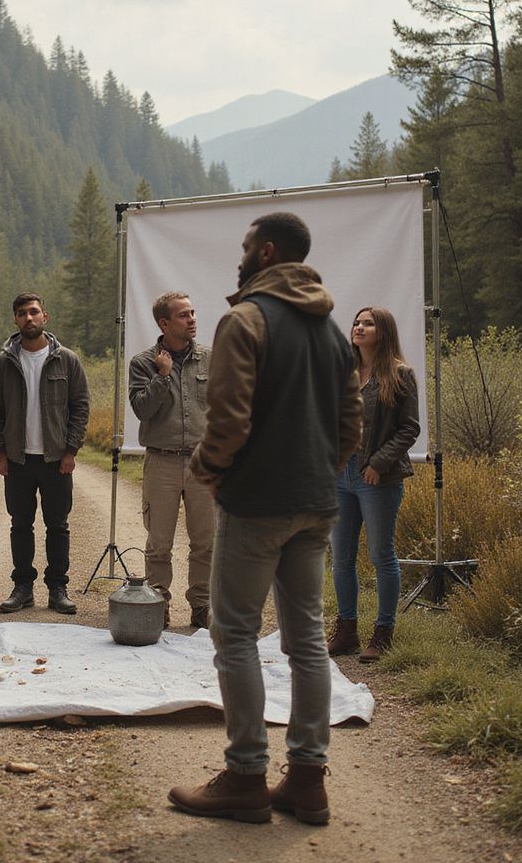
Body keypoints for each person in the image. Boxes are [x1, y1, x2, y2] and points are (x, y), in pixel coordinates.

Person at [168, 212, 362, 826]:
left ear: (267, 251)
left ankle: (246, 776)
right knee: (307, 640)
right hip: (316, 503)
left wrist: (208, 470)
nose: (241, 254)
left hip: (255, 505)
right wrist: (319, 471)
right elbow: (350, 424)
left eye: (247, 246)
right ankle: (307, 781)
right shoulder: (331, 329)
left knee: (236, 637)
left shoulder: (245, 319)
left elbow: (227, 422)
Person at [0, 293, 90, 615]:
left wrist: (71, 450)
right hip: (18, 459)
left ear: (46, 316)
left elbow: (80, 407)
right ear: (15, 320)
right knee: (20, 524)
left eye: (33, 312)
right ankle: (23, 587)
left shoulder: (67, 360)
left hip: (56, 459)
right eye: (21, 313)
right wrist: (1, 452)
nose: (28, 318)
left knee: (58, 525)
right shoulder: (4, 363)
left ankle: (58, 589)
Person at [327, 306, 420, 662]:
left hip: (376, 478)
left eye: (367, 323)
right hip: (340, 476)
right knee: (342, 559)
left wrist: (379, 463)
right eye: (356, 322)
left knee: (382, 555)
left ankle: (382, 633)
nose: (359, 327)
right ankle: (347, 631)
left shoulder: (400, 374)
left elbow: (409, 429)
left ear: (383, 332)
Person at [128, 292, 215, 629]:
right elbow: (142, 410)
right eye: (183, 315)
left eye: (193, 312)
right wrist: (162, 376)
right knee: (159, 541)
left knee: (205, 540)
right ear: (164, 323)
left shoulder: (210, 358)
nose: (192, 319)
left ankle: (202, 606)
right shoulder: (143, 362)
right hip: (161, 462)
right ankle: (158, 602)